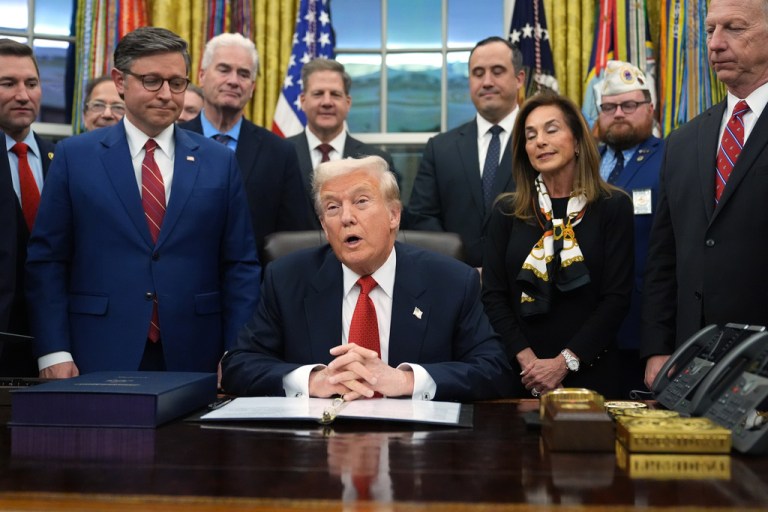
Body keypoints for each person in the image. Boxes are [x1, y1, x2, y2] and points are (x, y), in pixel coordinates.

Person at [25, 27, 261, 379]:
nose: (166, 94)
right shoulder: (74, 157)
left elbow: (240, 265)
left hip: (196, 353)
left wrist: (236, 353)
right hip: (95, 351)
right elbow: (48, 261)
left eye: (176, 83)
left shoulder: (219, 162)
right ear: (120, 81)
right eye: (152, 81)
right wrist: (53, 351)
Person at [222, 155, 513, 402]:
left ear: (393, 215)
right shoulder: (287, 279)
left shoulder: (451, 281)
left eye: (361, 201)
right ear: (324, 225)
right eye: (332, 207)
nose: (346, 217)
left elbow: (495, 369)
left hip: (415, 445)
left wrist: (406, 381)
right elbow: (238, 365)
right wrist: (312, 381)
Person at [641, 0, 768, 388]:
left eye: (735, 28)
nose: (715, 43)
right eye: (711, 30)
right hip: (690, 365)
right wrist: (658, 348)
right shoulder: (682, 142)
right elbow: (664, 257)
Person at [482, 93, 634, 398]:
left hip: (593, 371)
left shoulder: (613, 206)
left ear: (577, 141)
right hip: (521, 376)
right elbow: (493, 297)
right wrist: (532, 367)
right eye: (530, 135)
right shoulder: (506, 211)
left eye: (551, 130)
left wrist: (563, 364)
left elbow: (616, 299)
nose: (540, 141)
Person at [179, 33, 311, 260]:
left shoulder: (279, 153)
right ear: (202, 76)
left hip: (254, 277)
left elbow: (294, 239)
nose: (233, 80)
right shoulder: (173, 141)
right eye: (224, 69)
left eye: (243, 74)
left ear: (252, 87)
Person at [408, 36, 525, 268]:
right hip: (455, 280)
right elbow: (421, 219)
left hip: (525, 281)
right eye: (478, 73)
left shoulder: (541, 144)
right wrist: (457, 269)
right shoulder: (440, 149)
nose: (487, 82)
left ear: (519, 78)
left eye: (498, 71)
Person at [595, 60, 664, 397]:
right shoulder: (584, 162)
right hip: (585, 327)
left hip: (639, 328)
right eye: (609, 107)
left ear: (651, 108)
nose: (618, 113)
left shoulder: (671, 157)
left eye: (629, 105)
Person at [287, 58, 400, 228]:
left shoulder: (376, 161)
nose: (327, 102)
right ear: (303, 101)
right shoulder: (279, 155)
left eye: (335, 94)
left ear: (347, 103)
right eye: (318, 94)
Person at [0, 39, 54, 354]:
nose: (23, 95)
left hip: (52, 344)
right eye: (8, 84)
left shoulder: (63, 159)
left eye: (31, 84)